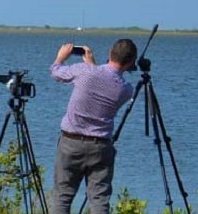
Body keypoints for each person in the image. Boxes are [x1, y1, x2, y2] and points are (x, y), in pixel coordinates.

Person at [50, 40, 137, 214]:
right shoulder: (126, 90)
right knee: (99, 199)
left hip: (71, 142)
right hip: (101, 146)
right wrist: (92, 64)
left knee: (63, 196)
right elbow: (104, 80)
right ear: (130, 63)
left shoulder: (84, 71)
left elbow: (56, 73)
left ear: (110, 51)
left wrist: (60, 58)